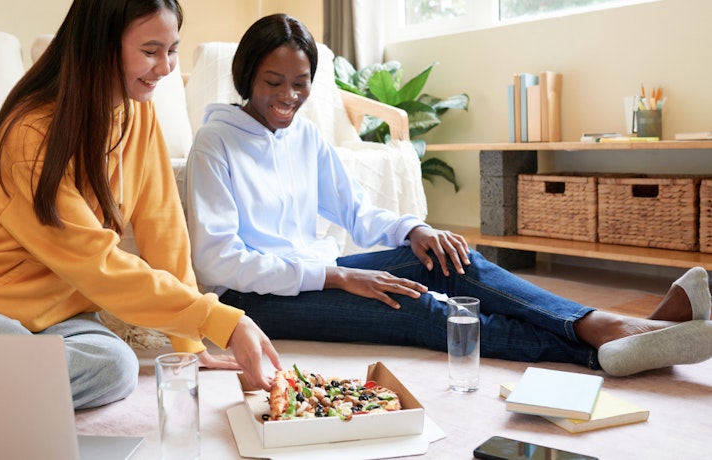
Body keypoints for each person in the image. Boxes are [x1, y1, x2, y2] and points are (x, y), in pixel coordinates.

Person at [185, 13, 712, 378]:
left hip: (319, 272)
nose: (288, 98)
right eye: (273, 82)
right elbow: (218, 261)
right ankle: (604, 347)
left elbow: (353, 211)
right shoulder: (215, 143)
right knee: (421, 312)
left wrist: (414, 230)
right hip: (253, 301)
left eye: (300, 83)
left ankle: (603, 326)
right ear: (246, 75)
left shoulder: (305, 135)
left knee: (451, 259)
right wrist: (339, 274)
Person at [0, 0, 280, 410]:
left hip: (65, 323)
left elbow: (162, 226)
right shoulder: (29, 133)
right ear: (101, 45)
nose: (165, 67)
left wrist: (189, 343)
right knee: (18, 365)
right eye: (150, 51)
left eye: (172, 49)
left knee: (116, 367)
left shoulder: (139, 114)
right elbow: (95, 262)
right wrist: (223, 321)